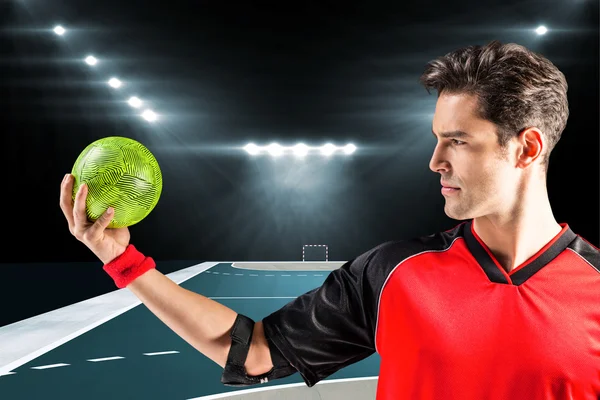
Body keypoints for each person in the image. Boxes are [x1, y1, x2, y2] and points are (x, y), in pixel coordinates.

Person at [59, 40, 600, 399]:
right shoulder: (392, 273)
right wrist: (121, 259)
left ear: (527, 148)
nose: (435, 161)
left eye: (457, 141)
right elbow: (250, 352)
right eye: (436, 139)